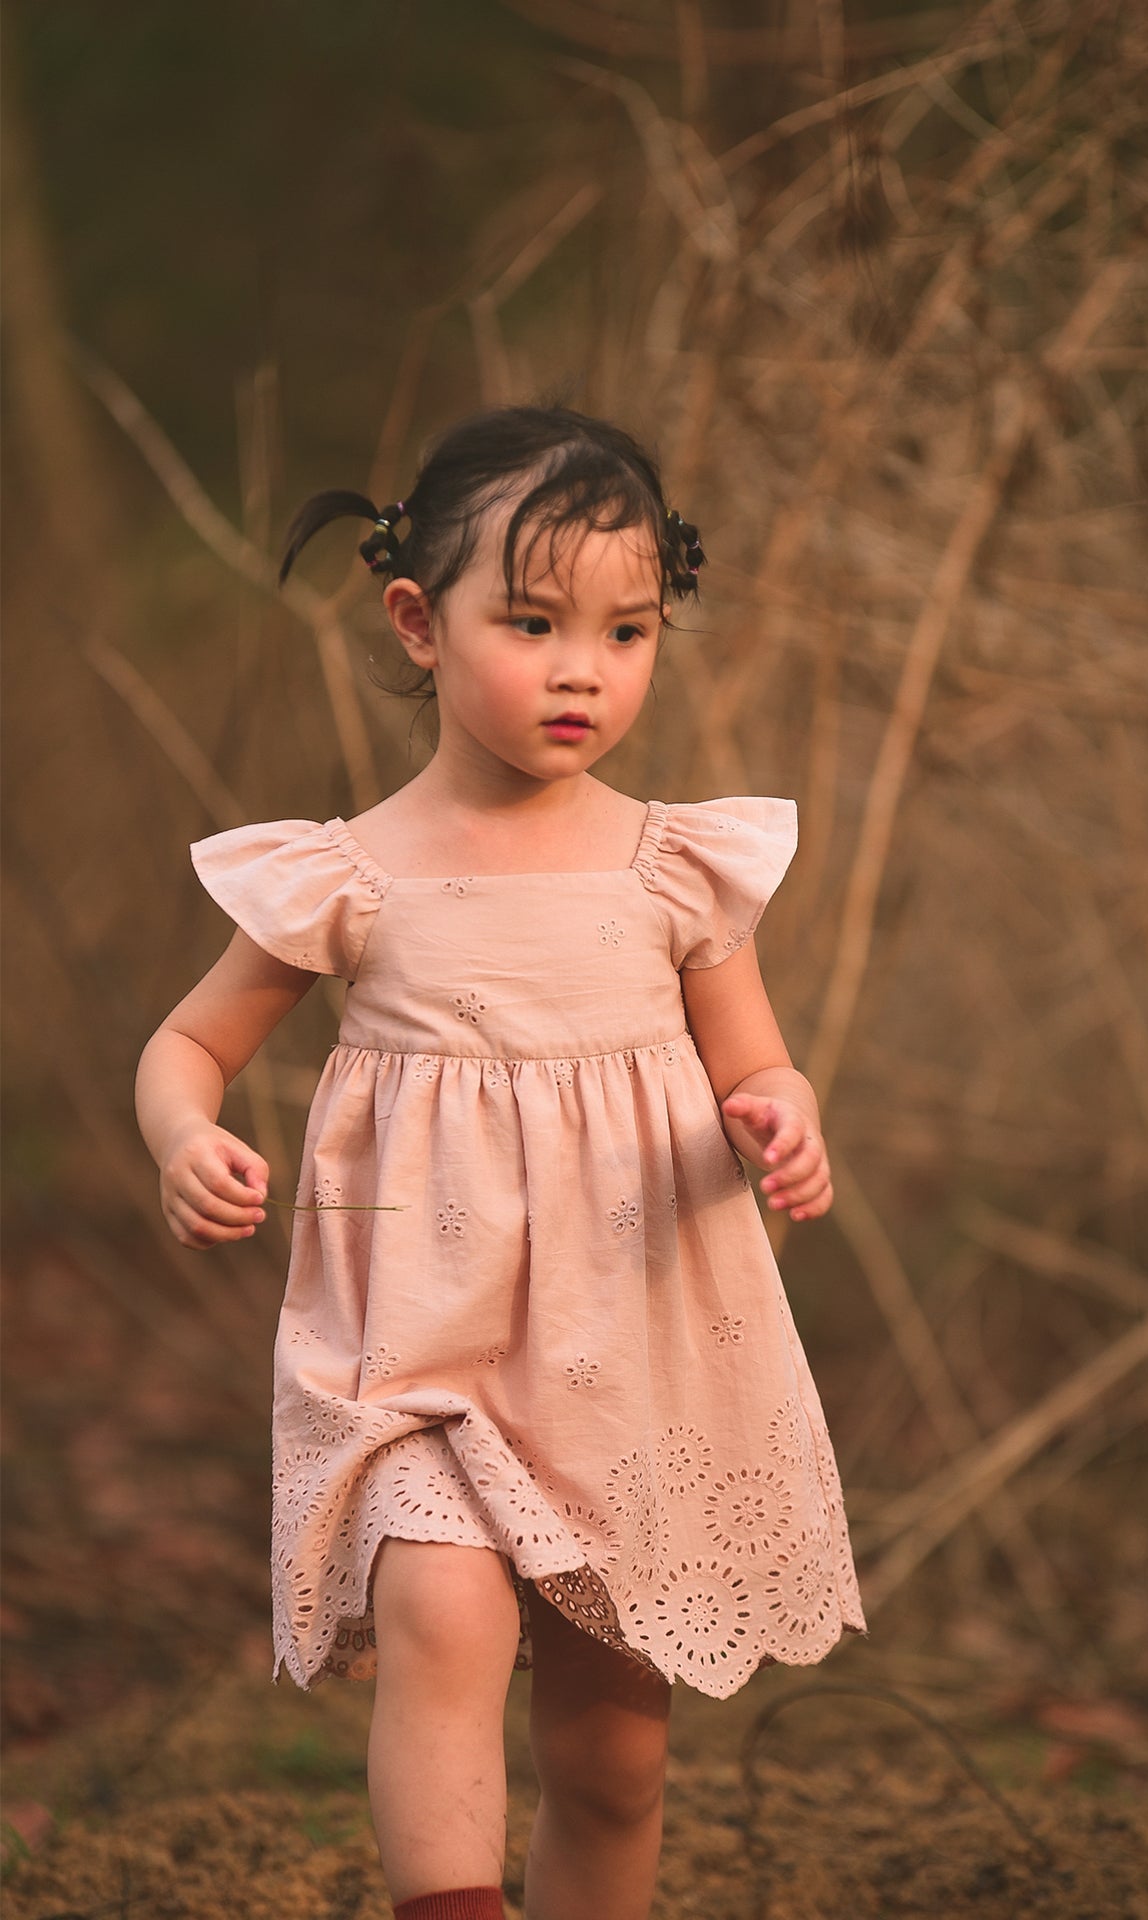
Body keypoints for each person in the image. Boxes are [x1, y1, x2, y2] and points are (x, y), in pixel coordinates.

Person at [135, 405, 864, 1920]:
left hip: (633, 1350)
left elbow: (757, 1060)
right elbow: (187, 1045)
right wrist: (185, 1134)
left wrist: (782, 1119)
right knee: (441, 1614)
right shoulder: (351, 876)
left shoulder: (673, 867)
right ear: (419, 617)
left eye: (628, 629)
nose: (584, 668)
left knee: (611, 1760)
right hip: (413, 1346)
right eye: (532, 624)